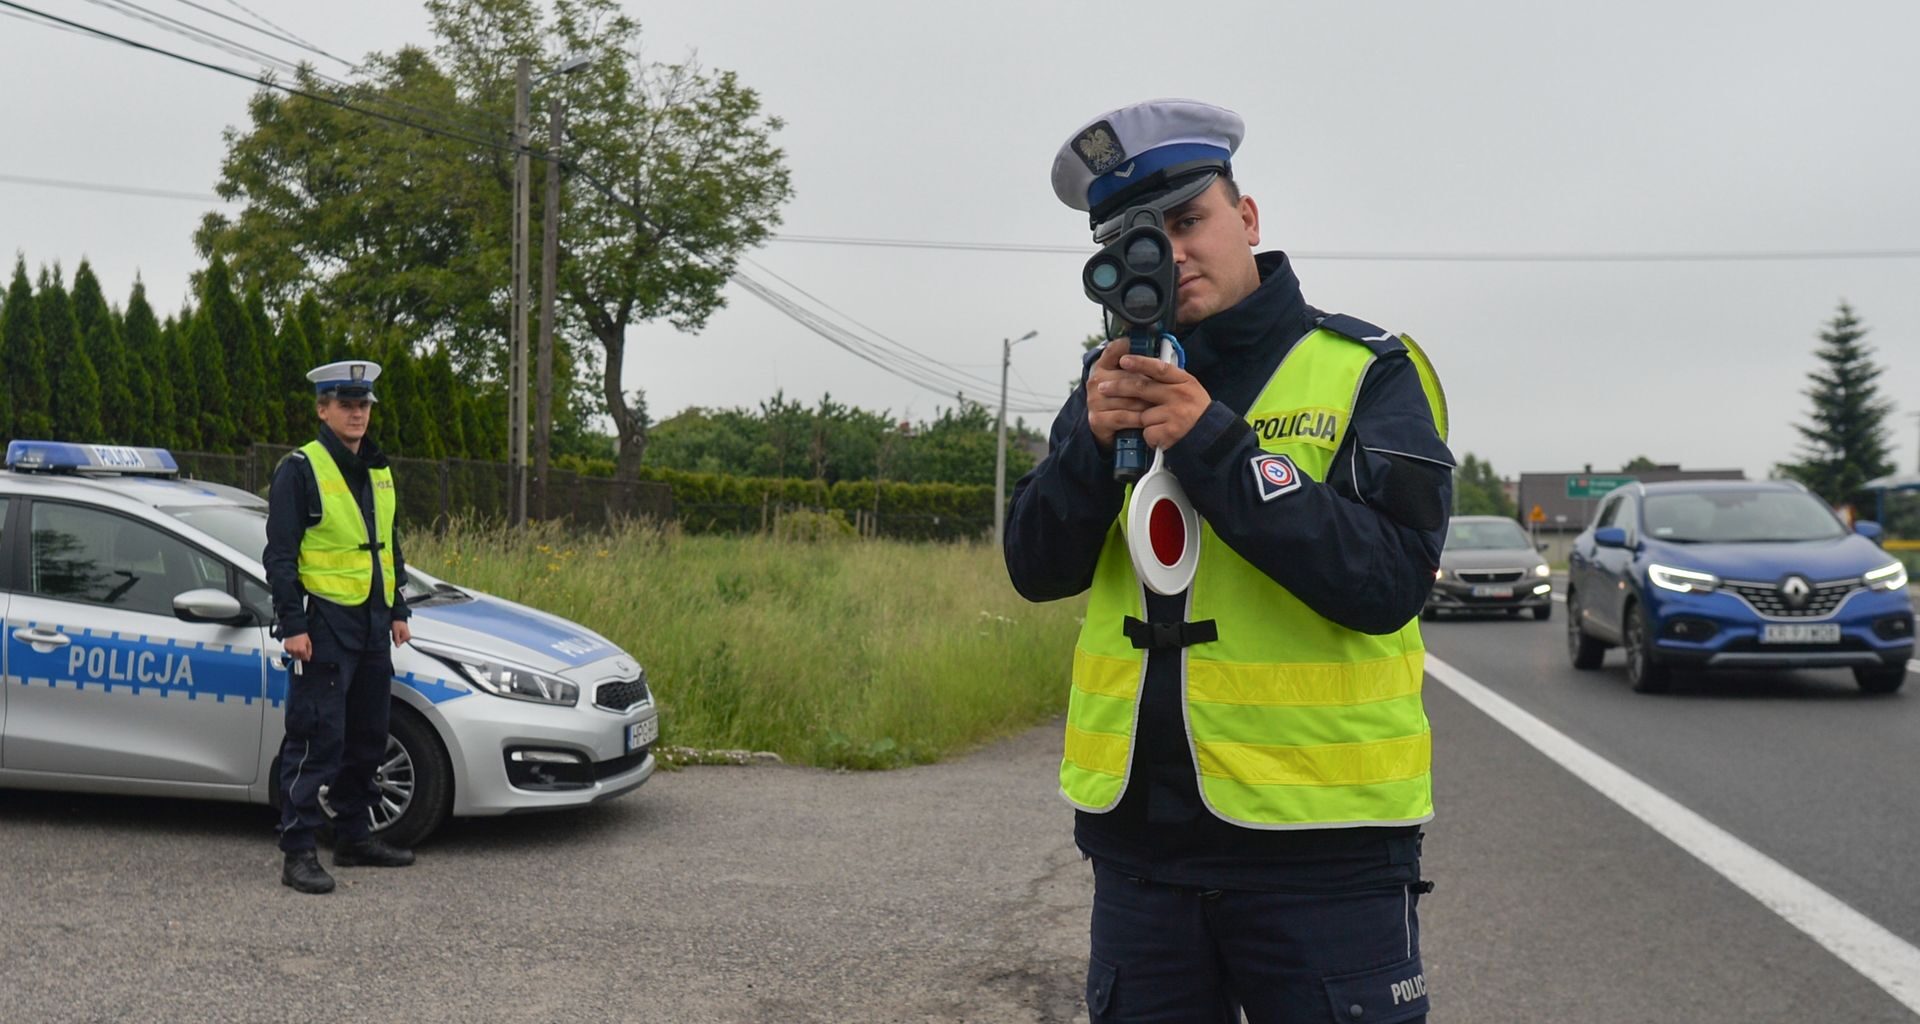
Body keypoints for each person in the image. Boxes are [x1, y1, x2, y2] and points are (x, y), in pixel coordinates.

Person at [1005, 99, 1456, 1022]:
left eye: (1187, 222)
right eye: (1136, 239)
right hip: (1142, 856)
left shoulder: (1365, 367)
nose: (1168, 256)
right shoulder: (1104, 389)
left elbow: (1389, 582)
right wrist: (1091, 449)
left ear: (1245, 219)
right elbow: (1035, 567)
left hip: (1326, 854)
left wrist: (1214, 443)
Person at [264, 359, 417, 894]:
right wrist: (292, 625)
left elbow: (388, 546)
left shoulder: (377, 467)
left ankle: (353, 836)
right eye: (345, 404)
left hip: (373, 623)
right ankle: (299, 851)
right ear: (322, 409)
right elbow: (280, 556)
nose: (357, 413)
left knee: (369, 738)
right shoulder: (299, 469)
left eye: (364, 404)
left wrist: (398, 608)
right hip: (324, 623)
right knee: (315, 740)